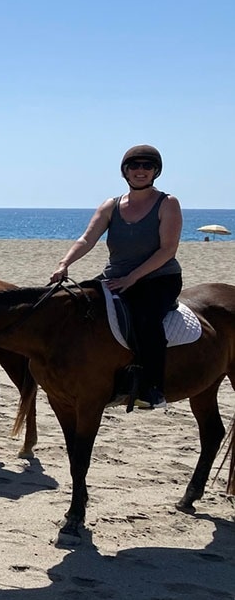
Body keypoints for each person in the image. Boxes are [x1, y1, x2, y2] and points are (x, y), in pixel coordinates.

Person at [49, 144, 182, 409]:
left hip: (158, 278)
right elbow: (87, 239)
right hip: (116, 276)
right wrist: (65, 264)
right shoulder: (111, 205)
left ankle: (152, 387)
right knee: (76, 306)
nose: (140, 171)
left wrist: (133, 278)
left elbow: (168, 249)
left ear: (156, 171)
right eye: (134, 166)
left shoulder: (167, 203)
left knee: (145, 319)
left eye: (147, 166)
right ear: (125, 171)